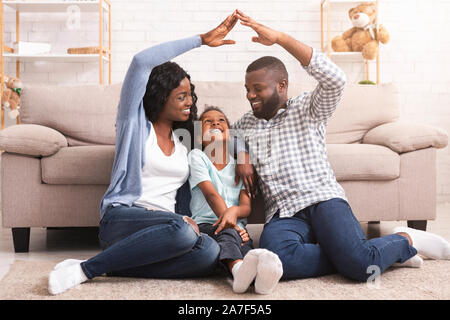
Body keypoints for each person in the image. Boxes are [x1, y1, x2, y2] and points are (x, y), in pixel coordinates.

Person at [232, 10, 450, 282]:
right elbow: (229, 135)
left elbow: (336, 79)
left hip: (323, 200)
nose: (250, 95)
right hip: (283, 211)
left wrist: (279, 38)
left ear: (282, 85)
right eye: (247, 89)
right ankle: (367, 253)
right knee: (274, 261)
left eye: (257, 88)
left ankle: (404, 240)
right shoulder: (246, 123)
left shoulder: (308, 108)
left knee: (360, 268)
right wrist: (241, 154)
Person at [47, 12, 241, 295]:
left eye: (191, 95)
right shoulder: (135, 126)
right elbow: (140, 62)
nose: (190, 102)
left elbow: (229, 135)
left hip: (166, 233)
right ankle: (85, 270)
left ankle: (110, 265)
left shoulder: (184, 139)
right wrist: (201, 40)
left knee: (209, 252)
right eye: (181, 96)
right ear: (160, 97)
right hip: (124, 220)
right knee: (184, 230)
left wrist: (244, 157)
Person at [188, 106, 283, 294]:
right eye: (208, 122)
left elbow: (246, 207)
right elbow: (211, 195)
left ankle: (257, 281)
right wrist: (233, 225)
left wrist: (235, 213)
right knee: (228, 235)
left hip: (239, 230)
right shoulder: (197, 157)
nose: (215, 122)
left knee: (248, 250)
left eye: (221, 120)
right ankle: (238, 272)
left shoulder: (240, 168)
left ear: (230, 135)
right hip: (207, 224)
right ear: (200, 138)